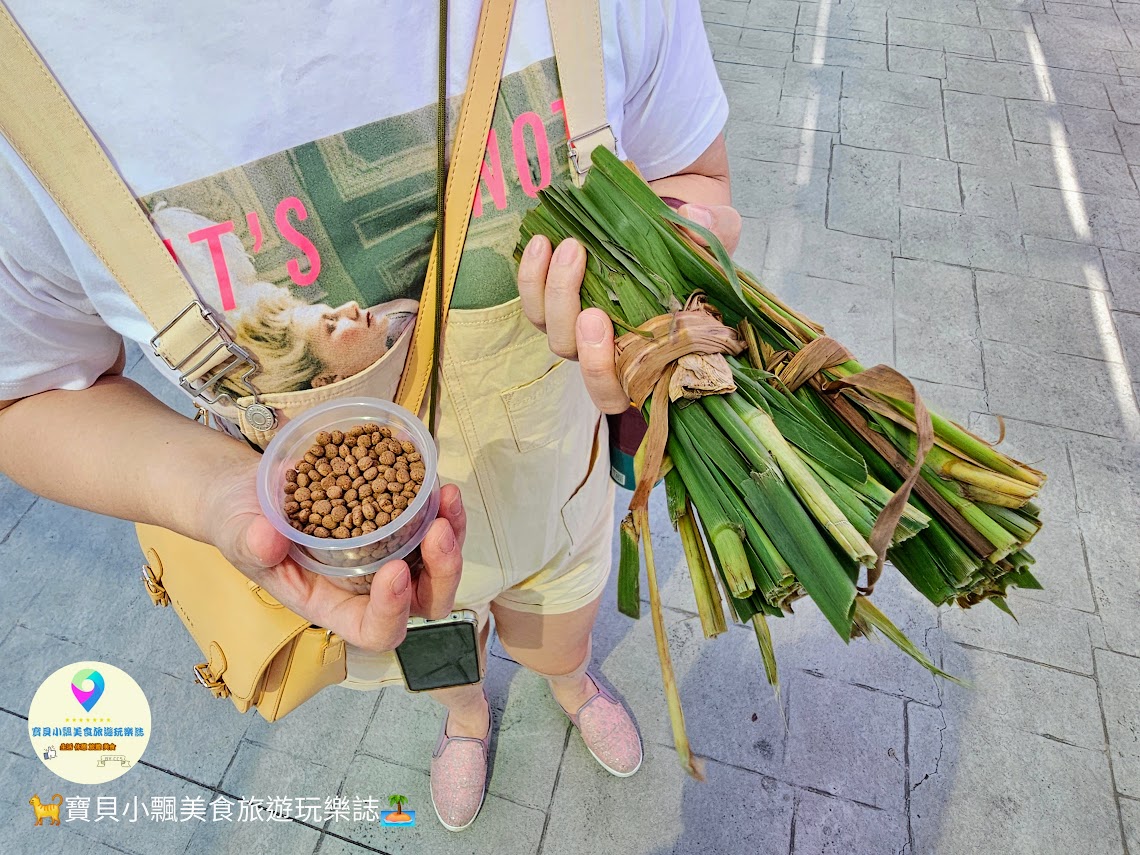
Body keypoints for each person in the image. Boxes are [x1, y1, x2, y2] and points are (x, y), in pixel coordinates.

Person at [0, 0, 742, 832]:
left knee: (559, 631)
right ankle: (468, 718)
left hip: (556, 491)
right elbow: (25, 393)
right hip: (371, 577)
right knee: (434, 656)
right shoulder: (26, 83)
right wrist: (216, 494)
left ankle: (570, 680)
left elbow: (696, 182)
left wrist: (656, 306)